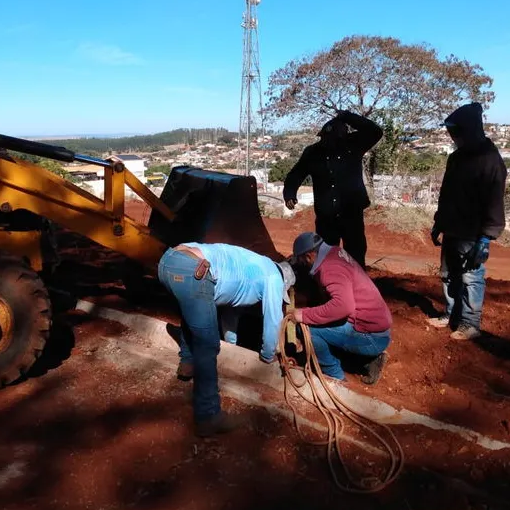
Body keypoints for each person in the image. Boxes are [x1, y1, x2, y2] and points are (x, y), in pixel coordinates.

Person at [157, 242, 296, 437]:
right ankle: (208, 416)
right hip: (194, 270)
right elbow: (273, 320)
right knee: (208, 345)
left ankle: (187, 363)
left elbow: (231, 312)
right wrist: (268, 355)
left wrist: (231, 344)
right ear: (285, 282)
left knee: (194, 307)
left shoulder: (255, 266)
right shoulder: (274, 278)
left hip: (168, 261)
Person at [428, 102, 507, 340]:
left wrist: (486, 238)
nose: (453, 137)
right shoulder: (456, 158)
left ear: (470, 130)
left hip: (473, 233)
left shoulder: (490, 161)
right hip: (452, 227)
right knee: (448, 275)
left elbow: (495, 202)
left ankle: (470, 323)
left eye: (456, 132)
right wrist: (439, 223)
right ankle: (451, 314)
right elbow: (446, 194)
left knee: (471, 277)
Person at [283, 109, 383, 270]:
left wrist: (347, 116)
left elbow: (375, 131)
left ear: (343, 136)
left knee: (355, 254)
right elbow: (295, 174)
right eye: (325, 139)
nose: (329, 143)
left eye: (334, 138)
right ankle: (327, 287)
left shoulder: (354, 144)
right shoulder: (313, 152)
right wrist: (289, 193)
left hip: (351, 213)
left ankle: (357, 286)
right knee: (325, 256)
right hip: (326, 216)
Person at [289, 232, 392, 384]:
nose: (301, 263)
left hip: (371, 337)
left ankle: (334, 376)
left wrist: (302, 315)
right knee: (321, 320)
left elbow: (343, 307)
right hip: (376, 328)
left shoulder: (330, 269)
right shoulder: (334, 252)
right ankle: (369, 361)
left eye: (302, 259)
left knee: (307, 330)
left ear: (310, 255)